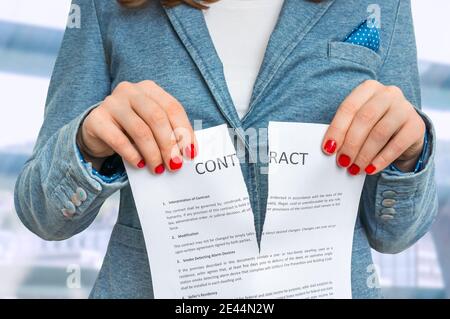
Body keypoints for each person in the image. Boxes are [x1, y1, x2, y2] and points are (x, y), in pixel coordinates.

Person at [14, 0, 438, 298]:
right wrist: (88, 141)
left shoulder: (382, 4)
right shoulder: (107, 5)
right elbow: (44, 215)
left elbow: (396, 234)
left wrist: (406, 156)